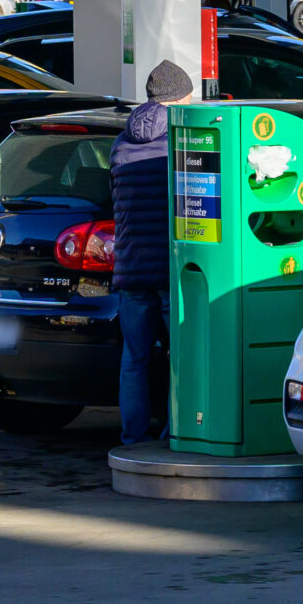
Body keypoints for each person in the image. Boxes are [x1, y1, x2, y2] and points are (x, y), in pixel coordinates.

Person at [110, 59, 193, 447]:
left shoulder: (121, 142)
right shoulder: (180, 142)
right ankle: (180, 430)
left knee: (134, 359)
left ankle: (133, 438)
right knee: (184, 357)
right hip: (170, 269)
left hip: (129, 268)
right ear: (179, 99)